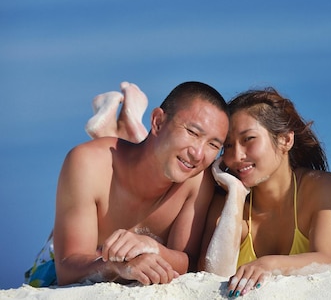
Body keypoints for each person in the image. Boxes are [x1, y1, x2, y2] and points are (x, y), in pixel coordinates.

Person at [29, 81, 230, 286]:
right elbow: (66, 269)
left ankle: (125, 126)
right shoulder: (86, 163)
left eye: (213, 145)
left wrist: (153, 247)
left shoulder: (196, 181)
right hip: (60, 261)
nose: (198, 154)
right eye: (193, 132)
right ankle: (122, 128)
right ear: (158, 122)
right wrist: (115, 266)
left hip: (142, 160)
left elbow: (189, 263)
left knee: (155, 155)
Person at [199, 88, 331, 297]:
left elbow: (326, 261)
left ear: (285, 140)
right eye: (227, 145)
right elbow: (211, 275)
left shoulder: (318, 186)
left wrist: (268, 264)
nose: (236, 155)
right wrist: (236, 195)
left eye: (248, 139)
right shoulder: (225, 203)